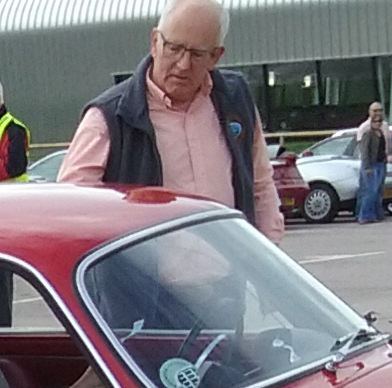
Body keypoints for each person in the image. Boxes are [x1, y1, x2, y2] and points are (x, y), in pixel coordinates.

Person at [58, 0, 285, 241]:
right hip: (145, 266)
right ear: (154, 42)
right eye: (174, 49)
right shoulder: (109, 118)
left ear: (215, 57)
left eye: (197, 54)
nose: (183, 64)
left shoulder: (236, 100)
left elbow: (261, 186)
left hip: (229, 264)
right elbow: (70, 208)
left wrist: (270, 250)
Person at [353, 101, 389, 223]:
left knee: (377, 191)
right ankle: (364, 215)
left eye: (380, 111)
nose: (378, 122)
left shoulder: (384, 129)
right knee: (369, 191)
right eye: (375, 111)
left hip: (381, 163)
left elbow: (386, 145)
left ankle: (377, 214)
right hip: (370, 164)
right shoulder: (366, 130)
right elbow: (364, 150)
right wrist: (367, 166)